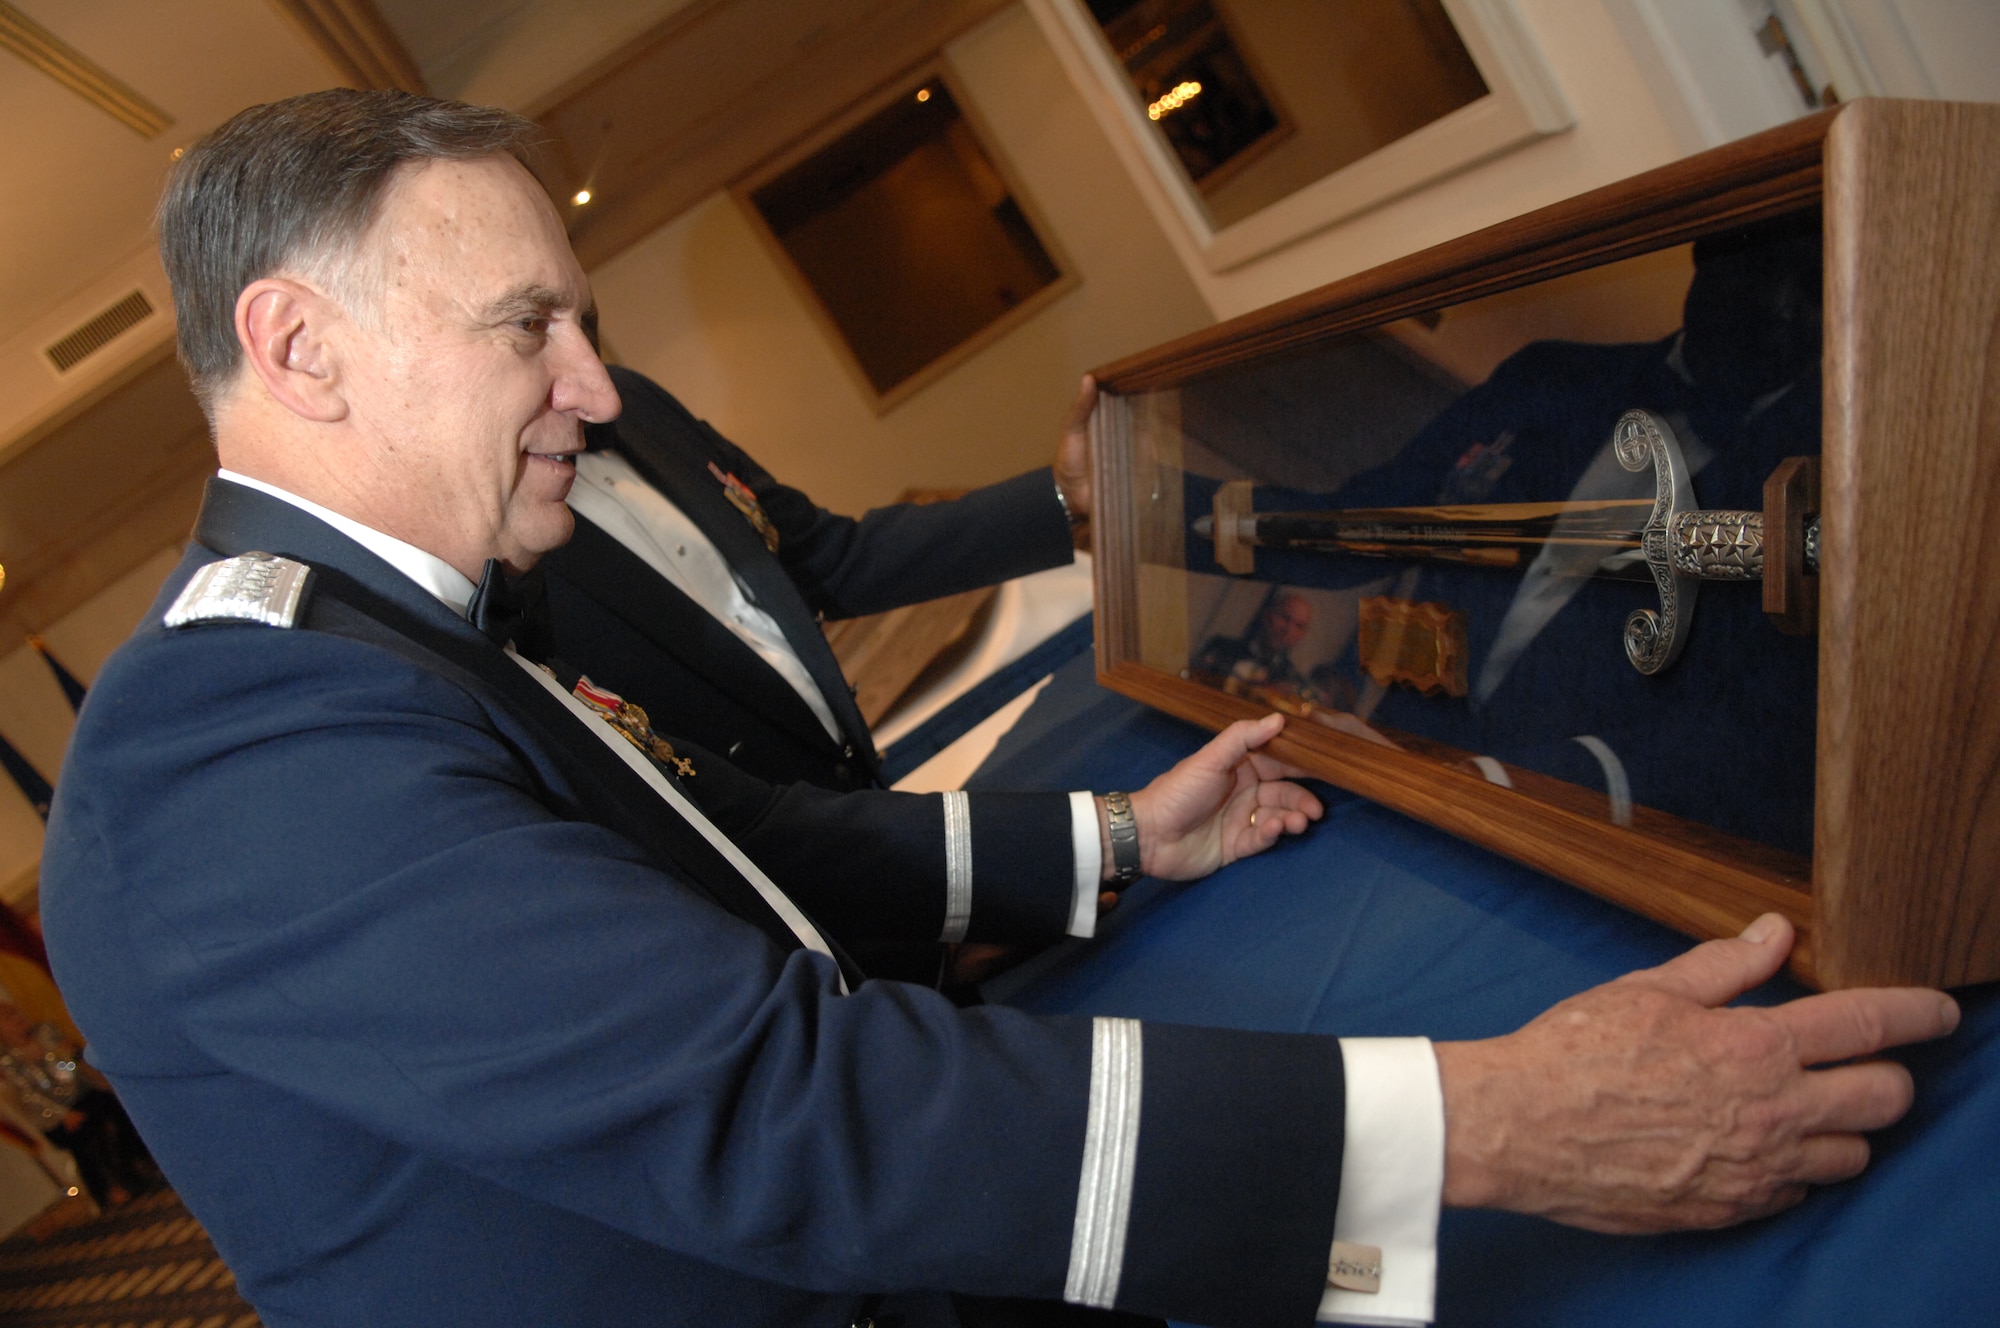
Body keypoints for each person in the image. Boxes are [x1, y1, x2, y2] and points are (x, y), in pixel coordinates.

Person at [39, 91, 1957, 1328]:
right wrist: (1505, 1122)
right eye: (526, 324)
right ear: (299, 348)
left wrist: (1124, 837)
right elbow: (784, 1107)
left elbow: (728, 839)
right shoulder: (229, 737)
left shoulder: (386, 630)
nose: (597, 389)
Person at [545, 361, 1097, 792]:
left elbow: (828, 559)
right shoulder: (498, 548)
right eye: (536, 322)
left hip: (873, 809)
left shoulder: (633, 402)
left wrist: (1061, 498)